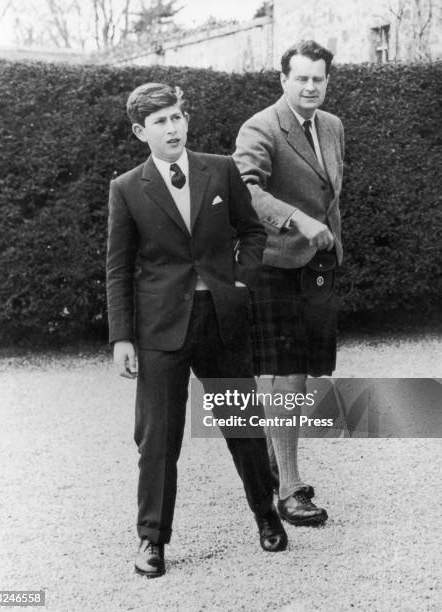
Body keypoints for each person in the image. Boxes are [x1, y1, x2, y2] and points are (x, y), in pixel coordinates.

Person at [106, 83, 288, 578]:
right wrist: (123, 337)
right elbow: (119, 267)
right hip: (160, 328)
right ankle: (151, 539)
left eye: (176, 117)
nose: (172, 127)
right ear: (142, 131)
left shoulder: (222, 169)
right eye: (160, 121)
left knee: (243, 427)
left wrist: (239, 281)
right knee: (158, 438)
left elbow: (252, 231)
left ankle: (267, 515)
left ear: (186, 119)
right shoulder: (126, 188)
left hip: (220, 321)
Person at [233, 40, 345, 527]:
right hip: (273, 265)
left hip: (317, 265)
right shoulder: (261, 126)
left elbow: (328, 192)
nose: (310, 86)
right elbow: (245, 189)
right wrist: (295, 219)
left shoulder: (333, 126)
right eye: (301, 77)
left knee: (305, 371)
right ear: (283, 80)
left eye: (318, 78)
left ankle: (278, 459)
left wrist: (331, 241)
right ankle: (290, 488)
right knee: (285, 373)